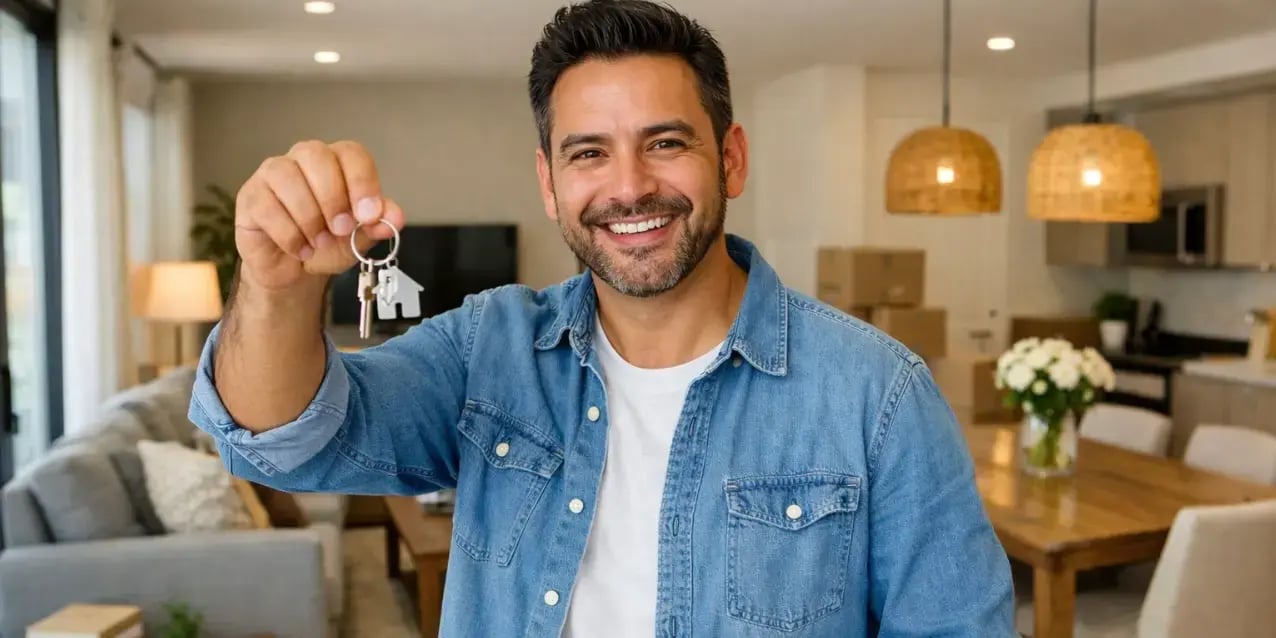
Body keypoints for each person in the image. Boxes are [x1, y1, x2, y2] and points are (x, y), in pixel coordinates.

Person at [189, 0, 1015, 635]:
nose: (627, 187)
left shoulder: (880, 397)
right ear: (549, 183)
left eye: (665, 143)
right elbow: (288, 440)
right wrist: (278, 286)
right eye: (588, 152)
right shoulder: (487, 349)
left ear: (730, 158)